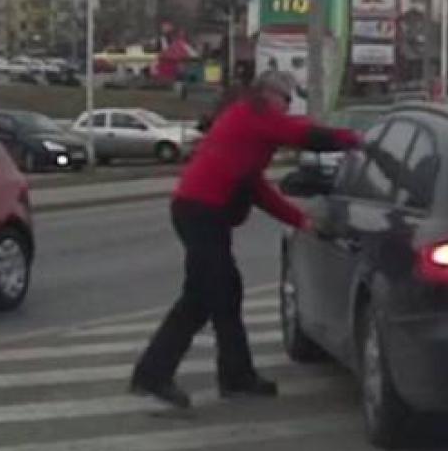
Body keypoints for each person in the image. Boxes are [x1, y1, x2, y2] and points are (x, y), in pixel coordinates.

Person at [131, 71, 363, 409]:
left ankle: (227, 375)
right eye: (286, 99)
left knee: (215, 293)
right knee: (214, 293)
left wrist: (301, 221)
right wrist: (355, 139)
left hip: (199, 211)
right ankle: (165, 375)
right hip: (201, 211)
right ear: (269, 94)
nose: (287, 107)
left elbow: (256, 188)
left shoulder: (248, 119)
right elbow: (303, 135)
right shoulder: (254, 115)